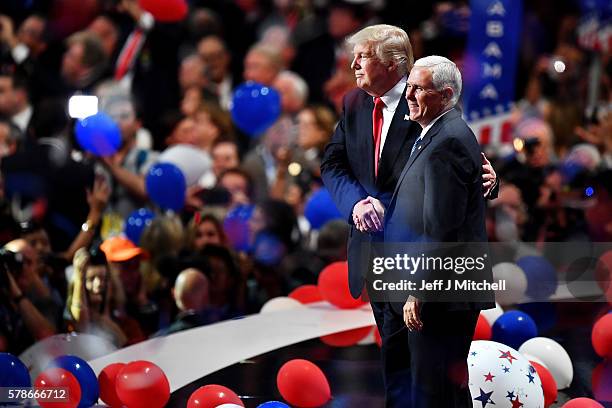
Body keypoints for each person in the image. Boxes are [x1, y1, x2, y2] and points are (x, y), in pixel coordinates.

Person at [320, 25, 497, 407]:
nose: (353, 65)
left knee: (431, 383)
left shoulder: (433, 103)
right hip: (376, 257)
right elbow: (333, 163)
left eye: (362, 56)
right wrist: (357, 203)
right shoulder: (354, 104)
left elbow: (458, 179)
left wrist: (490, 181)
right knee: (399, 374)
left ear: (394, 63)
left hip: (423, 265)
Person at [382, 56, 495, 406]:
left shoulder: (447, 141)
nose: (409, 95)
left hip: (442, 292)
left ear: (445, 95)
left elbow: (442, 229)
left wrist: (419, 291)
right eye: (409, 86)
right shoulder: (439, 135)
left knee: (436, 393)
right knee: (439, 390)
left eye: (418, 88)